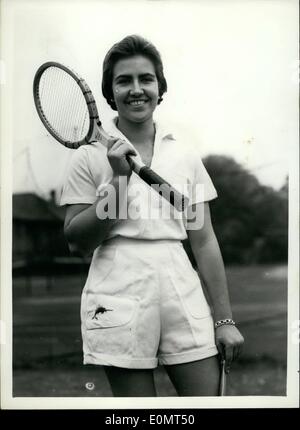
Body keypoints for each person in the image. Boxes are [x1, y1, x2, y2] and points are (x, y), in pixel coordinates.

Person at [60, 34, 244, 397]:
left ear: (160, 87)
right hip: (117, 285)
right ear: (110, 92)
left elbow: (203, 240)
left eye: (146, 79)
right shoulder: (87, 156)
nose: (136, 89)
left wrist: (224, 320)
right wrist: (118, 179)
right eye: (123, 80)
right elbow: (77, 241)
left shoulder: (184, 154)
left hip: (179, 281)